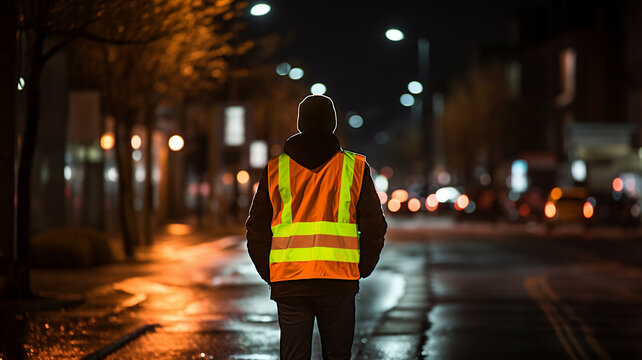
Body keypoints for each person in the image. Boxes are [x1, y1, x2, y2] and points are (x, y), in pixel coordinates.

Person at [246, 94, 387, 360]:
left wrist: (271, 273)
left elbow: (256, 230)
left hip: (290, 281)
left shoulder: (276, 170)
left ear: (301, 123)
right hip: (338, 281)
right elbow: (374, 226)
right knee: (337, 354)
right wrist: (362, 267)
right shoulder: (354, 167)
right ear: (332, 124)